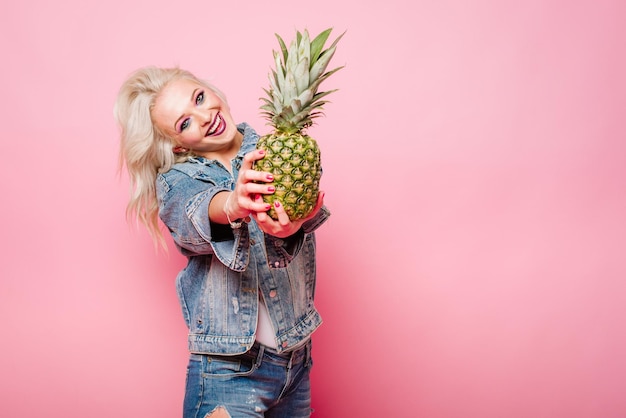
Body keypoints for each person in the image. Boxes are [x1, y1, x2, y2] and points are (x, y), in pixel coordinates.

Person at [114, 66, 330, 418]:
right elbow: (195, 210)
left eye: (199, 98)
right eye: (184, 123)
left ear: (212, 90)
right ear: (178, 144)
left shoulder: (278, 151)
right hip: (226, 373)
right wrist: (233, 203)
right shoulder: (176, 180)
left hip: (296, 362)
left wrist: (290, 228)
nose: (204, 117)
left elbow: (293, 229)